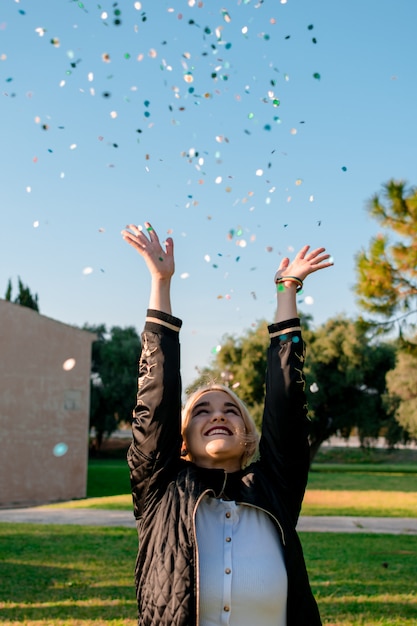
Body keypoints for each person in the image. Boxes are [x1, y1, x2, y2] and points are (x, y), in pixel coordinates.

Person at [121, 221, 333, 626]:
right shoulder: (159, 488)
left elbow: (287, 407)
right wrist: (160, 282)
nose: (217, 414)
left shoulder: (276, 487)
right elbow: (155, 400)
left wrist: (286, 290)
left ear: (249, 437)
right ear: (180, 438)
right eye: (201, 410)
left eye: (231, 410)